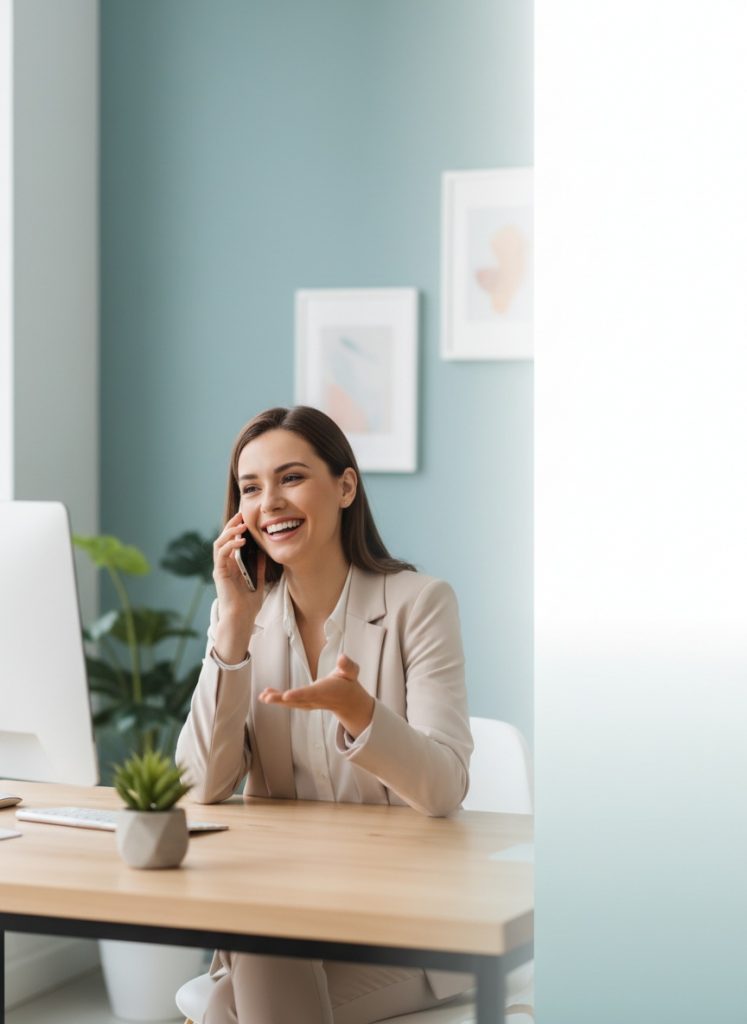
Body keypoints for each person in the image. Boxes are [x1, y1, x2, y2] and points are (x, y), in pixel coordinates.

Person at [176, 405, 474, 1024]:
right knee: (255, 950)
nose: (269, 503)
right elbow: (201, 784)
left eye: (291, 478)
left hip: (408, 923)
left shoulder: (420, 604)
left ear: (344, 486)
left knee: (226, 1005)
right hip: (286, 908)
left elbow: (445, 787)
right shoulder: (242, 617)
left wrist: (362, 714)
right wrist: (232, 626)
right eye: (250, 487)